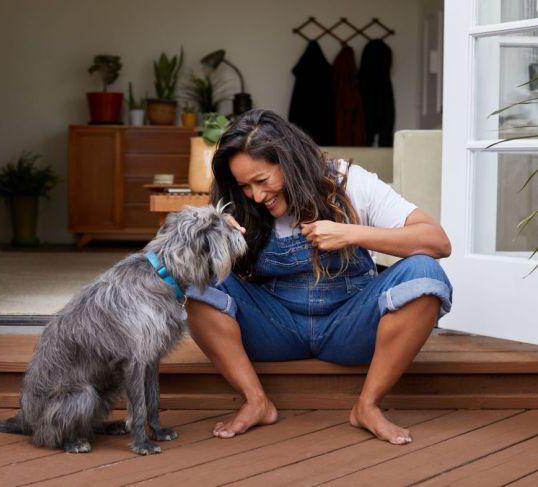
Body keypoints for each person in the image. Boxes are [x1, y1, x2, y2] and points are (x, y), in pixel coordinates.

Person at [185, 109, 452, 445]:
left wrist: (352, 233)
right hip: (274, 327)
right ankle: (256, 400)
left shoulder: (350, 182)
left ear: (290, 161)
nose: (255, 195)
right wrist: (212, 237)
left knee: (425, 271)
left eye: (262, 181)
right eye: (244, 186)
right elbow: (181, 265)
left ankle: (367, 406)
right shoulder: (238, 203)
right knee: (194, 277)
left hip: (350, 327)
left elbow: (437, 241)